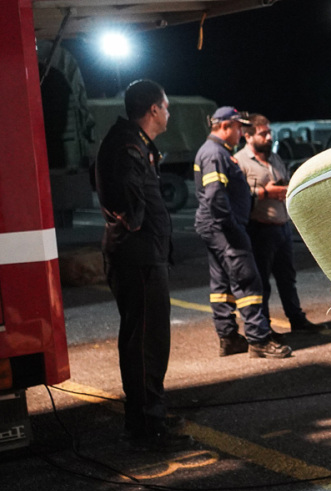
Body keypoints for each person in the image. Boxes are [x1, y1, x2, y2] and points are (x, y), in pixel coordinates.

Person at [95, 79, 192, 452]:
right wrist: (135, 221)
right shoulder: (127, 145)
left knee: (146, 340)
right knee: (145, 343)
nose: (168, 113)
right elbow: (130, 206)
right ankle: (147, 424)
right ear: (153, 109)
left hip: (140, 255)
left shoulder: (131, 141)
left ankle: (147, 416)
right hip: (137, 257)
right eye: (166, 107)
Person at [194, 107, 292, 359]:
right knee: (248, 280)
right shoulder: (215, 154)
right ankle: (259, 340)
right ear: (226, 126)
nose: (241, 133)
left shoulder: (215, 152)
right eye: (239, 127)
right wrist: (233, 227)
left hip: (215, 228)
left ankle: (228, 338)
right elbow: (216, 195)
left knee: (221, 284)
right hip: (225, 229)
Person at [235, 114, 324, 335]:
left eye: (269, 132)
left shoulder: (275, 158)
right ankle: (263, 326)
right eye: (262, 133)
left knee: (287, 278)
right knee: (261, 283)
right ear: (248, 136)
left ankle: (296, 319)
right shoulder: (239, 161)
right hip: (260, 229)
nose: (268, 137)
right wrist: (265, 193)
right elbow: (238, 195)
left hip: (282, 227)